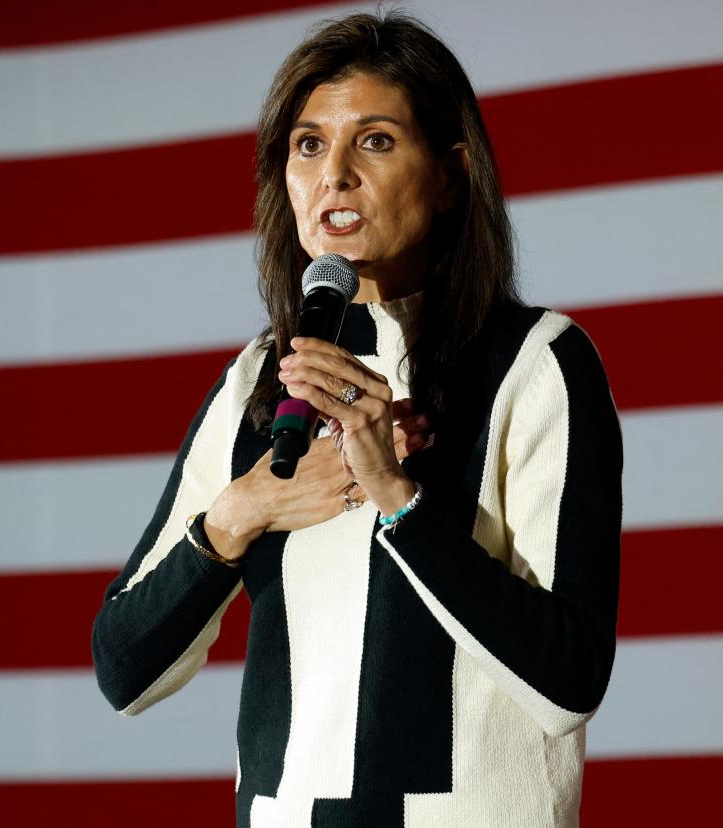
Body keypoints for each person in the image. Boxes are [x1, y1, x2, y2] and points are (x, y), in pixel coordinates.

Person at [90, 12, 622, 827]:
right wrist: (244, 510)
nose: (333, 175)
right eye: (308, 145)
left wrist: (398, 497)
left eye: (374, 141)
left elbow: (569, 681)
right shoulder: (255, 381)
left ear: (450, 176)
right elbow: (123, 671)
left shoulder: (538, 360)